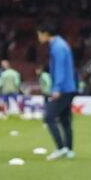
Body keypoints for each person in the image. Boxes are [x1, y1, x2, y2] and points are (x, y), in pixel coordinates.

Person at [35, 26, 78, 159]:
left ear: (46, 33)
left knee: (49, 117)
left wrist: (57, 88)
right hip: (70, 87)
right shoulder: (62, 44)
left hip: (63, 88)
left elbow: (60, 69)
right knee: (65, 119)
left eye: (39, 34)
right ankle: (69, 150)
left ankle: (60, 148)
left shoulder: (57, 47)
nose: (39, 38)